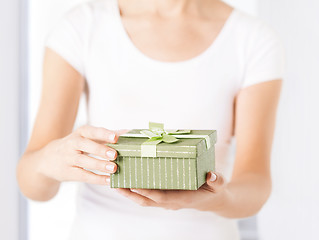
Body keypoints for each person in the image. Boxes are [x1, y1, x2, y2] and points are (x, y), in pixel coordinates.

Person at [16, 0, 284, 239]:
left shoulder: (252, 38)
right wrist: (51, 161)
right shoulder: (82, 26)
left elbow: (255, 186)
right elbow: (33, 186)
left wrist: (216, 198)